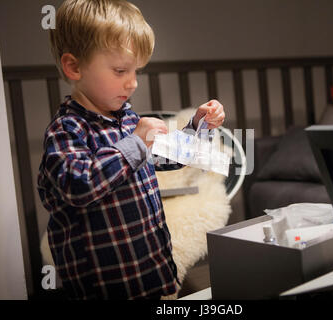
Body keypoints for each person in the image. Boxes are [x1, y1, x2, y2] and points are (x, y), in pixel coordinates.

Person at [37, 0, 225, 300]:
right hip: (106, 283)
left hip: (153, 271)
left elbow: (168, 157)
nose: (133, 83)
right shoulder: (68, 129)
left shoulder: (126, 117)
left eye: (135, 71)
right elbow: (78, 185)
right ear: (73, 66)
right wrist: (136, 143)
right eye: (120, 70)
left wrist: (198, 125)